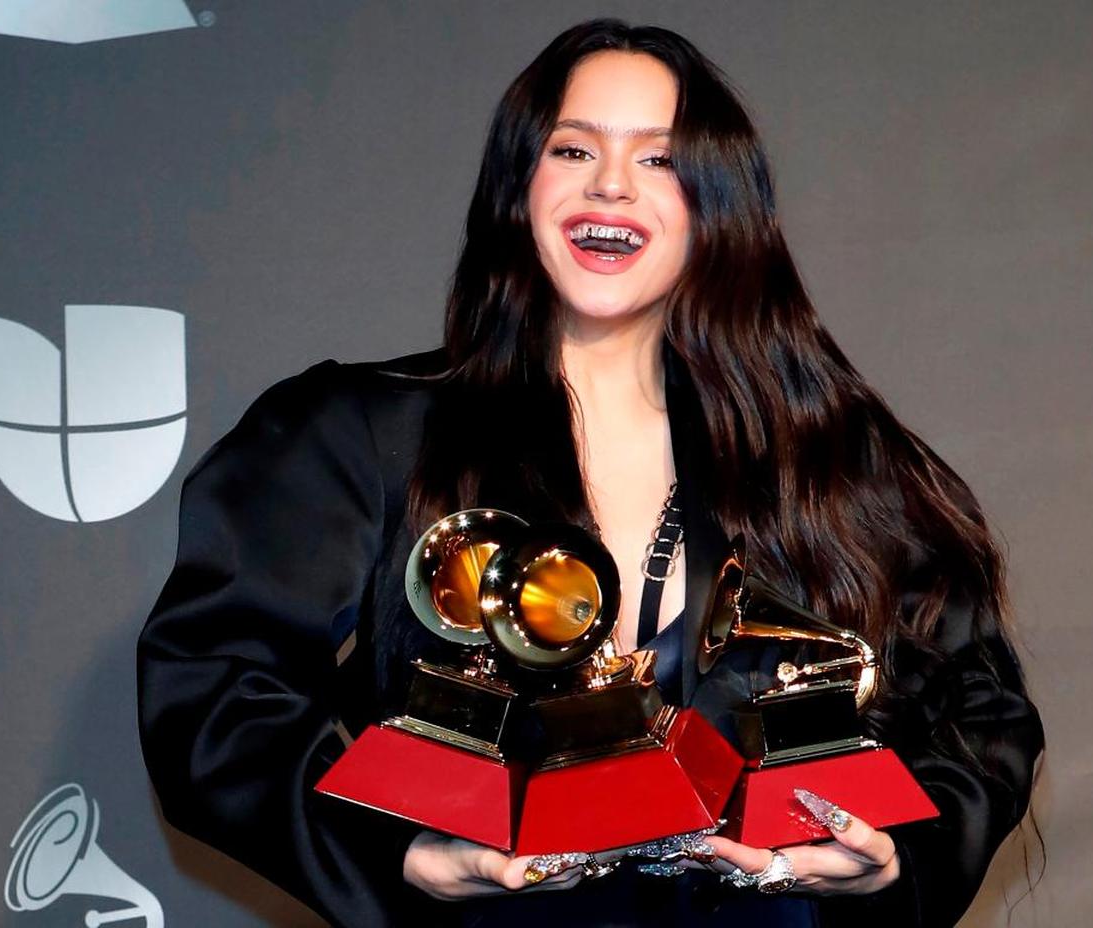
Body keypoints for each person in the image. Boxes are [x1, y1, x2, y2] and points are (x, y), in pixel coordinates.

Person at [137, 18, 1044, 928]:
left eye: (659, 159)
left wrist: (895, 860)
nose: (610, 184)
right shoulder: (360, 432)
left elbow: (984, 712)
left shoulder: (828, 459)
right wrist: (398, 848)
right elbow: (211, 685)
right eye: (574, 148)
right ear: (518, 183)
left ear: (718, 205)